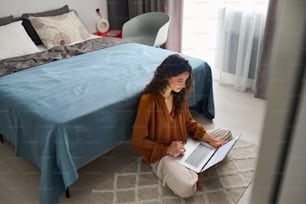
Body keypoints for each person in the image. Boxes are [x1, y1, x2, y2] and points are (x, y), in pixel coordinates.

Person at [131, 54, 232, 198]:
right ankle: (197, 167)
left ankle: (195, 165)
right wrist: (167, 149)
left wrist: (211, 140)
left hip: (185, 143)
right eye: (179, 80)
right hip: (163, 155)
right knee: (187, 188)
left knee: (225, 134)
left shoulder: (178, 95)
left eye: (186, 80)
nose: (184, 85)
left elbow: (190, 123)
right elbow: (138, 140)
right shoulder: (149, 100)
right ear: (166, 76)